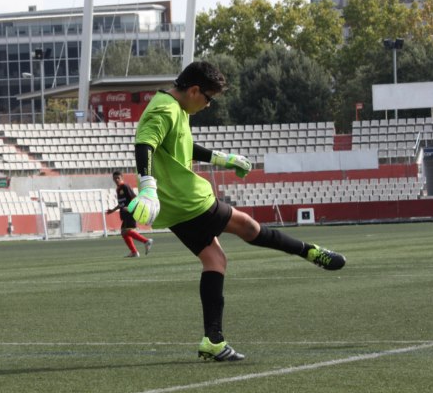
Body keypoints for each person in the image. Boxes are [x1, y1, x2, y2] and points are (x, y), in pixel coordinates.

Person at [127, 61, 346, 362]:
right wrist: (147, 186)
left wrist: (221, 158)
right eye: (208, 98)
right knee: (250, 229)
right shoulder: (165, 109)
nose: (208, 104)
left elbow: (181, 145)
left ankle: (213, 341)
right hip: (191, 201)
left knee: (215, 260)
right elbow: (145, 144)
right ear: (193, 90)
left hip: (176, 210)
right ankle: (311, 252)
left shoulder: (174, 108)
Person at [106, 171, 153, 258]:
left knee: (126, 231)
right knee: (124, 233)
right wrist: (112, 210)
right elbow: (121, 203)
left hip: (129, 212)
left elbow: (134, 197)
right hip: (124, 214)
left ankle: (146, 241)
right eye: (115, 178)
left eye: (118, 178)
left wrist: (130, 208)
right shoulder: (118, 189)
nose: (116, 180)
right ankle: (134, 252)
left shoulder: (125, 186)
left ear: (121, 178)